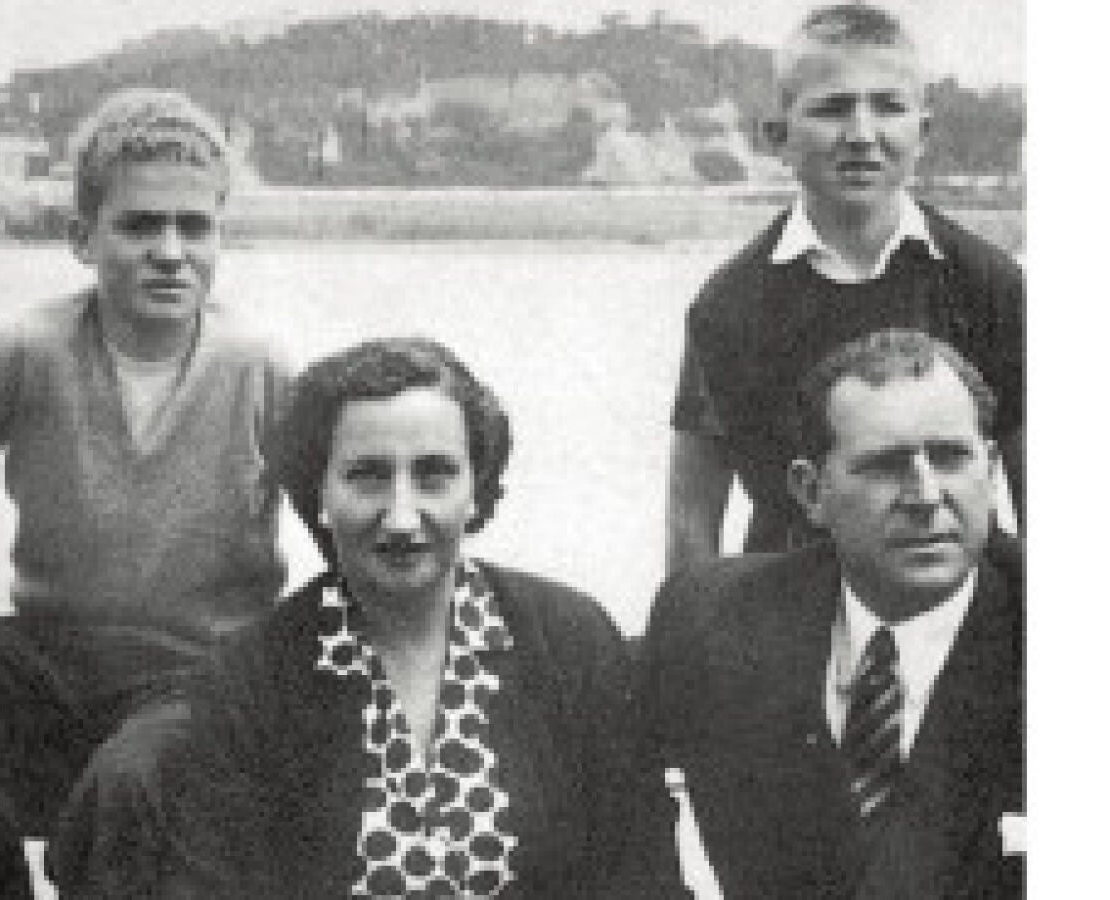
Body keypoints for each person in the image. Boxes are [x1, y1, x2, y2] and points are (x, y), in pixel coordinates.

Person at [53, 338, 683, 898]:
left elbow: (642, 876)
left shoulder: (570, 639)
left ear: (476, 488)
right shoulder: (251, 679)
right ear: (319, 494)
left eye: (434, 475)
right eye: (368, 477)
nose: (402, 517)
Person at [0, 88, 291, 897]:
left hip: (194, 682)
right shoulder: (21, 350)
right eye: (139, 226)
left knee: (137, 773)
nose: (170, 252)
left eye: (194, 227)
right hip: (48, 666)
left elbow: (351, 533)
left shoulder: (260, 365)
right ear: (82, 238)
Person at [640, 329, 1023, 897]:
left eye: (950, 458)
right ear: (810, 491)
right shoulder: (713, 620)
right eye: (885, 466)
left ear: (990, 471)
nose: (925, 495)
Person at [664, 2, 1024, 573]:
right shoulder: (730, 303)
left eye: (888, 106)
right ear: (779, 136)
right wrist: (694, 623)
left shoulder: (989, 285)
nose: (861, 134)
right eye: (832, 109)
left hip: (956, 595)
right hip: (791, 599)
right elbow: (692, 521)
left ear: (922, 132)